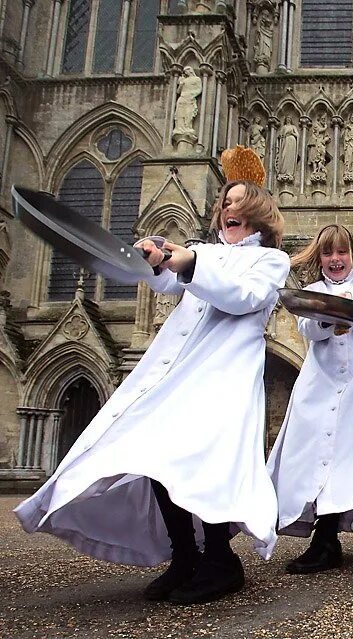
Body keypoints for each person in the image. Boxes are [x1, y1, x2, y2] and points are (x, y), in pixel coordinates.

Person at [15, 180, 290, 606]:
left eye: (237, 202)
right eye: (224, 202)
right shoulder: (207, 250)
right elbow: (167, 285)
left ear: (256, 211)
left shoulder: (270, 260)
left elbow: (242, 297)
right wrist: (160, 259)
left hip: (223, 375)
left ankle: (220, 560)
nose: (227, 208)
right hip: (177, 374)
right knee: (156, 459)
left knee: (206, 464)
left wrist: (190, 260)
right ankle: (185, 556)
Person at [267, 224, 353, 574]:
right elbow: (306, 327)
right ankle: (318, 533)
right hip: (318, 385)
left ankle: (327, 538)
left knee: (341, 458)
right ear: (319, 258)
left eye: (342, 252)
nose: (335, 259)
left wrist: (352, 311)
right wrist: (327, 323)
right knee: (312, 454)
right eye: (328, 253)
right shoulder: (312, 290)